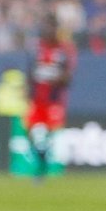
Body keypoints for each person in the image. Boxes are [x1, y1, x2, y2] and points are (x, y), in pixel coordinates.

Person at [25, 15, 76, 181]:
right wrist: (28, 91)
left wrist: (55, 79)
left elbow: (68, 78)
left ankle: (44, 167)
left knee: (50, 135)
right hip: (37, 100)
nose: (47, 31)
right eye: (45, 27)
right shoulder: (36, 49)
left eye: (51, 27)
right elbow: (30, 72)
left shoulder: (64, 50)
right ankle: (41, 165)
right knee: (36, 133)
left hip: (54, 101)